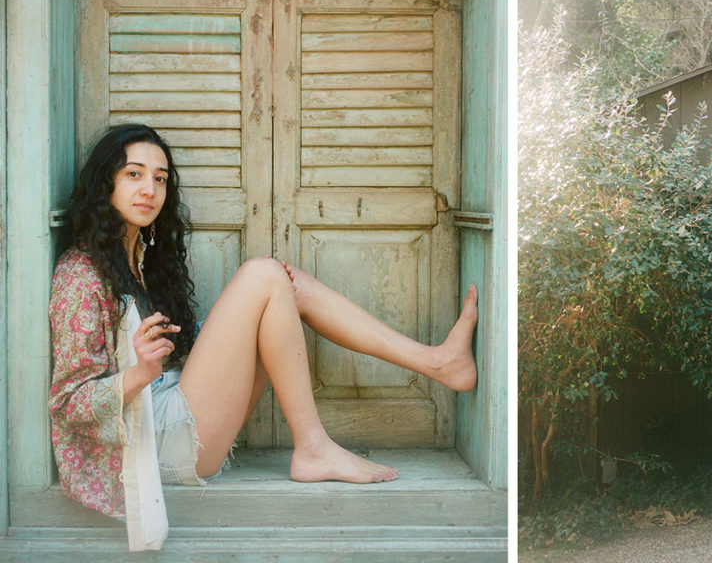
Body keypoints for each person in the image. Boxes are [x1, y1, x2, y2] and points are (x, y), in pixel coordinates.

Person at [48, 124, 479, 550]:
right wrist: (141, 373)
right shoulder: (80, 276)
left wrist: (262, 308)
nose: (150, 189)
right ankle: (312, 446)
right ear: (106, 182)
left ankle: (438, 362)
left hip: (172, 405)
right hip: (150, 445)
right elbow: (67, 404)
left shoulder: (140, 255)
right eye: (134, 174)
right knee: (264, 274)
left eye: (160, 179)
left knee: (287, 284)